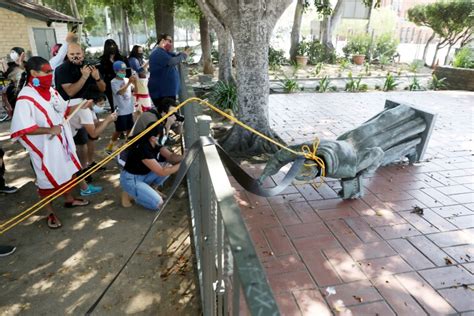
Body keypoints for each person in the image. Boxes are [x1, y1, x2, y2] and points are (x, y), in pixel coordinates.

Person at [11, 57, 89, 229]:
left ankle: (69, 199)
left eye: (51, 71)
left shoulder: (51, 91)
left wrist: (79, 106)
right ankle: (49, 212)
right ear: (34, 73)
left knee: (68, 170)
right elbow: (21, 128)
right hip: (44, 149)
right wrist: (49, 130)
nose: (51, 74)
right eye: (47, 71)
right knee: (46, 179)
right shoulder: (25, 97)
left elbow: (61, 109)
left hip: (62, 143)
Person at [120, 123, 182, 210]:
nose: (164, 137)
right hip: (131, 179)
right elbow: (161, 172)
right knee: (158, 204)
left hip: (142, 175)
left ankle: (150, 189)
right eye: (162, 135)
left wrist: (185, 156)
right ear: (153, 137)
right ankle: (130, 194)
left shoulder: (153, 142)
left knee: (168, 165)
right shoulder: (143, 148)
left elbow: (171, 157)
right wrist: (182, 164)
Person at [148, 33, 191, 107]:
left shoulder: (165, 53)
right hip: (162, 93)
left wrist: (182, 53)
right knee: (167, 116)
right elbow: (172, 61)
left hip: (167, 92)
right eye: (169, 41)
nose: (171, 43)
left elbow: (175, 56)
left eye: (172, 41)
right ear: (162, 41)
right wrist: (184, 55)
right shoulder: (158, 53)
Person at [105, 61, 136, 154]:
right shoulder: (113, 82)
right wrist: (129, 83)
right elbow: (120, 92)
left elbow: (135, 90)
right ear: (116, 71)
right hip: (120, 110)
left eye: (124, 70)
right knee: (119, 130)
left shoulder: (127, 79)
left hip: (129, 109)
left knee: (130, 129)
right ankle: (109, 147)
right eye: (121, 70)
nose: (123, 72)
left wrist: (135, 82)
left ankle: (128, 146)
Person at [98, 39, 129, 113]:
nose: (112, 48)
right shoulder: (102, 60)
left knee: (125, 103)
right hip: (110, 86)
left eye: (113, 45)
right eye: (110, 46)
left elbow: (128, 71)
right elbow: (101, 74)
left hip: (123, 84)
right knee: (114, 106)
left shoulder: (122, 58)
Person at [1, 47, 26, 118]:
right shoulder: (10, 65)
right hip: (11, 92)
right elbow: (6, 76)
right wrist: (3, 63)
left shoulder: (26, 64)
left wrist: (20, 62)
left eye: (13, 52)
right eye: (11, 52)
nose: (12, 54)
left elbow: (23, 72)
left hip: (22, 91)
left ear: (21, 54)